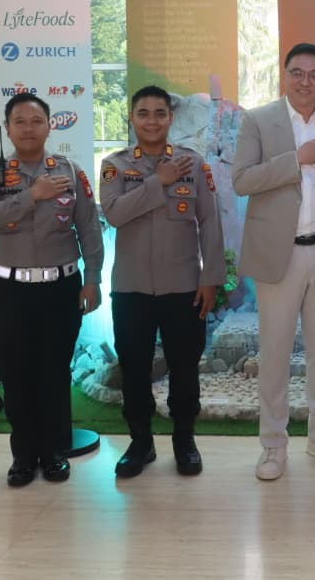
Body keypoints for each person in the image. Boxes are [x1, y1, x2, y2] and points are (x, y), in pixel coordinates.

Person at [231, 43, 315, 481]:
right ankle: (273, 445)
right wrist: (297, 160)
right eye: (298, 73)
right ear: (284, 75)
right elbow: (242, 180)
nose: (306, 81)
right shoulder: (258, 120)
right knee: (275, 353)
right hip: (278, 256)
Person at [0, 92, 104, 487]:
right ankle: (23, 456)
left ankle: (54, 452)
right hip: (11, 290)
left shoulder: (71, 172)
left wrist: (93, 279)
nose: (28, 129)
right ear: (7, 128)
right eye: (20, 122)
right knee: (16, 372)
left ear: (49, 126)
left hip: (60, 288)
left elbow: (88, 227)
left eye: (36, 121)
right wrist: (32, 195)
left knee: (54, 371)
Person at [100, 86, 225, 479]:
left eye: (159, 113)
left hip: (183, 287)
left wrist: (211, 278)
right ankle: (140, 442)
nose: (151, 121)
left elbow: (210, 222)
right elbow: (114, 213)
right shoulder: (114, 166)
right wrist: (158, 182)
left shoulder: (193, 163)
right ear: (131, 118)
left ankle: (184, 441)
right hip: (131, 289)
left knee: (185, 369)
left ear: (171, 118)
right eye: (143, 113)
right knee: (134, 368)